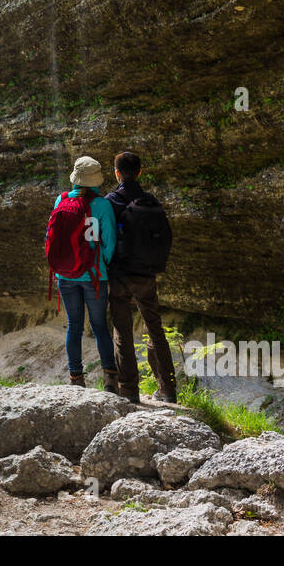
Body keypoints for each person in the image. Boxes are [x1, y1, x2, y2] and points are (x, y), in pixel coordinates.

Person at [105, 151, 178, 403]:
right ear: (140, 172)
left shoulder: (111, 201)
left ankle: (129, 391)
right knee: (155, 329)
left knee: (122, 330)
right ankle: (168, 390)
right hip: (147, 275)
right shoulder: (150, 200)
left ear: (116, 173)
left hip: (120, 276)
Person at [47, 156, 119, 390]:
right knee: (99, 326)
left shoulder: (61, 199)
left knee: (74, 325)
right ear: (95, 179)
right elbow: (109, 241)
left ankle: (76, 379)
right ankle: (110, 380)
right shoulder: (103, 205)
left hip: (66, 276)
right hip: (95, 276)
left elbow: (52, 236)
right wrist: (102, 264)